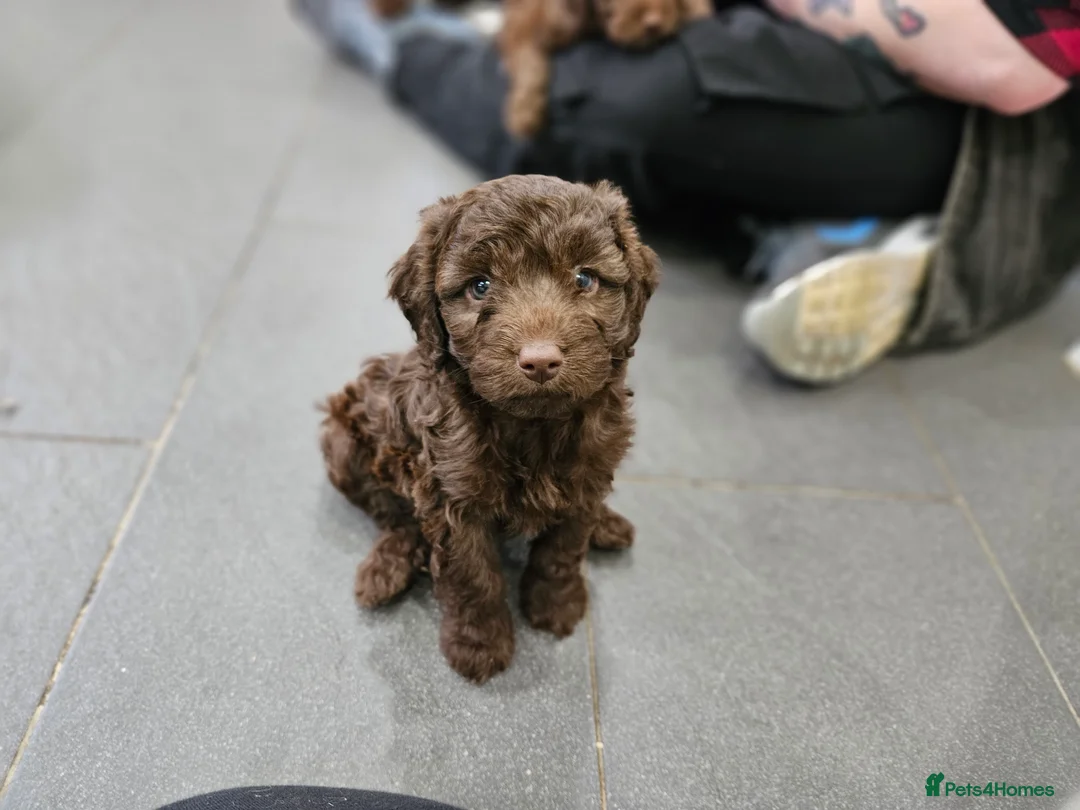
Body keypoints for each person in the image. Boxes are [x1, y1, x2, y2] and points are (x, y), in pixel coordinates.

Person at [292, 0, 1080, 384]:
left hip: (982, 117)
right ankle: (810, 232)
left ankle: (398, 42)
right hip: (805, 50)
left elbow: (1016, 69)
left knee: (602, 110)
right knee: (608, 97)